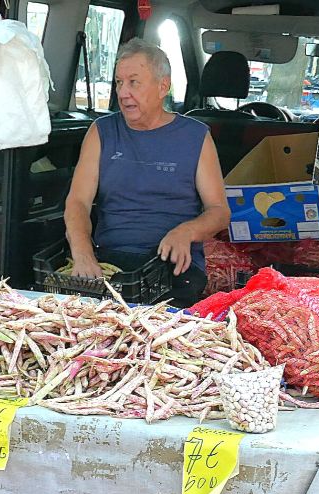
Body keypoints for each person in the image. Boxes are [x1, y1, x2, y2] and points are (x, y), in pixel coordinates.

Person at [64, 38, 228, 306]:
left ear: (163, 86)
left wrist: (187, 232)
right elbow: (78, 201)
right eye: (119, 82)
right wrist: (82, 253)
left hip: (173, 265)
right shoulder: (102, 131)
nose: (123, 93)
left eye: (134, 82)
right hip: (110, 260)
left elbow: (219, 211)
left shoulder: (196, 136)